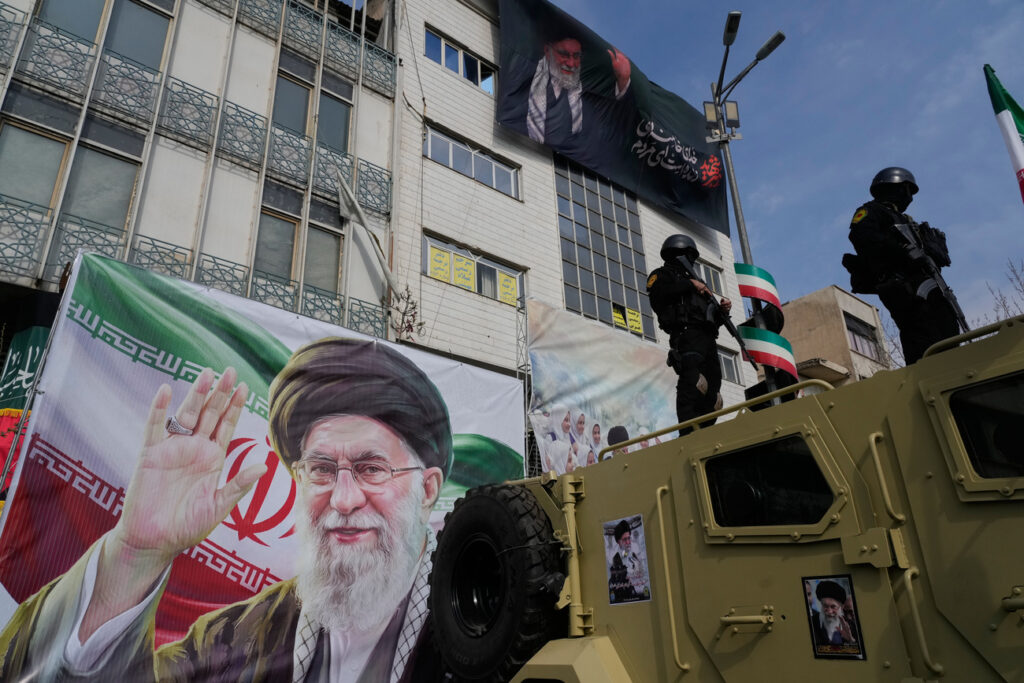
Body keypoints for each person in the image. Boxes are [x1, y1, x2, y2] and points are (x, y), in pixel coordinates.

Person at [0, 338, 450, 682]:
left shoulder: (473, 624)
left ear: (427, 489)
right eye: (321, 470)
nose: (343, 499)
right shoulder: (238, 638)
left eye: (371, 469)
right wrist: (137, 552)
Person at [846, 167, 960, 364]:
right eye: (907, 190)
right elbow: (863, 238)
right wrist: (903, 252)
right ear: (895, 187)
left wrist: (932, 251)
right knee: (921, 333)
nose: (910, 197)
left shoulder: (907, 220)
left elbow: (927, 256)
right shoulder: (870, 211)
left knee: (946, 325)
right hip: (901, 284)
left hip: (928, 283)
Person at [647, 234, 732, 435]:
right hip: (686, 336)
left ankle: (704, 433)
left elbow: (710, 318)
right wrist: (690, 285)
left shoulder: (698, 284)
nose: (691, 261)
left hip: (707, 340)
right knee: (693, 383)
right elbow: (658, 296)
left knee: (714, 396)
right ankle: (687, 434)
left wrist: (722, 311)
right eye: (688, 256)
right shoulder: (662, 275)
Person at [809, 580, 856, 649]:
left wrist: (851, 640)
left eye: (833, 607)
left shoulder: (851, 626)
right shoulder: (811, 623)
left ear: (841, 607)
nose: (829, 611)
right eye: (825, 606)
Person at [607, 520, 638, 603]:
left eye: (629, 538)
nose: (628, 542)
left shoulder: (634, 554)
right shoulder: (613, 560)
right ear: (618, 542)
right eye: (624, 539)